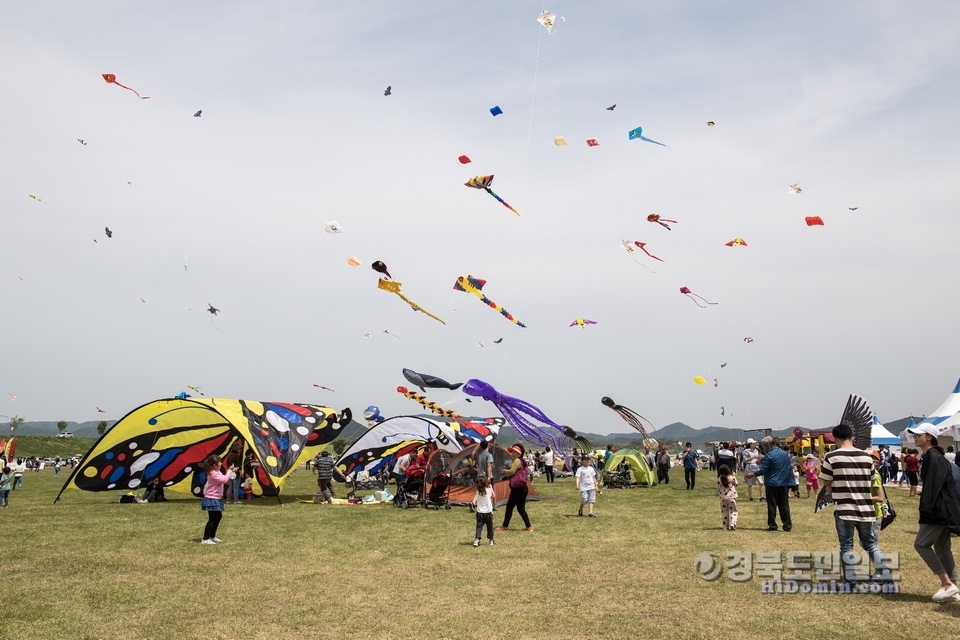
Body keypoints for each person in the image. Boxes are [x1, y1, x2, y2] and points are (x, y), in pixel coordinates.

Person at [819, 423, 890, 585]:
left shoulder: (832, 457)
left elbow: (827, 484)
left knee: (846, 546)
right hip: (866, 508)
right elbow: (872, 481)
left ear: (835, 439)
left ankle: (850, 581)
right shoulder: (866, 457)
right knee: (870, 544)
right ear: (852, 437)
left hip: (844, 508)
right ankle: (886, 574)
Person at [909, 424, 960, 601]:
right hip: (944, 508)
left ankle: (947, 584)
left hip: (937, 509)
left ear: (929, 437)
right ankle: (953, 587)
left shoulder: (933, 457)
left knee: (921, 544)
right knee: (942, 547)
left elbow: (933, 486)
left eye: (918, 435)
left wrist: (927, 508)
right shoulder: (936, 456)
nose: (915, 438)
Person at [745, 437, 793, 531]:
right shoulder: (784, 454)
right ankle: (787, 525)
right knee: (784, 505)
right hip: (783, 483)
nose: (763, 448)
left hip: (772, 483)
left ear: (767, 445)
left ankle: (773, 525)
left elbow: (764, 470)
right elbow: (788, 468)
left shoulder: (769, 455)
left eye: (763, 446)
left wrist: (753, 474)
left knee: (772, 505)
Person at [200, 454, 236, 545]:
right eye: (219, 462)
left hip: (216, 498)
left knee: (218, 516)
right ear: (214, 465)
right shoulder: (212, 474)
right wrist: (228, 471)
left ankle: (212, 536)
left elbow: (224, 476)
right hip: (212, 498)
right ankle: (205, 539)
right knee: (212, 518)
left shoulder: (216, 471)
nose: (221, 463)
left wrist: (230, 471)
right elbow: (223, 480)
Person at [496, 444, 532, 532]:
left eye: (514, 451)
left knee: (509, 507)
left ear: (518, 453)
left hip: (517, 489)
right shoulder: (522, 461)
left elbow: (512, 472)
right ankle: (529, 526)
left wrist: (503, 471)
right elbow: (517, 473)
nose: (512, 453)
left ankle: (505, 526)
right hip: (523, 487)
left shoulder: (516, 460)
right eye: (512, 451)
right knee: (521, 508)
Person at [473, 476, 495, 547]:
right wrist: (491, 487)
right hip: (488, 512)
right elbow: (493, 496)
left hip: (479, 513)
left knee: (479, 527)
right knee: (490, 527)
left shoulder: (477, 492)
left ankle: (477, 540)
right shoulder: (489, 490)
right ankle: (491, 540)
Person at [716, 464, 738, 530]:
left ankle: (725, 526)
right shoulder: (732, 478)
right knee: (733, 511)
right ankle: (733, 523)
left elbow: (718, 488)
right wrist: (734, 476)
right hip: (731, 497)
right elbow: (736, 484)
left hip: (723, 498)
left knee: (724, 512)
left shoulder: (719, 479)